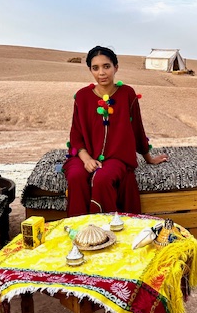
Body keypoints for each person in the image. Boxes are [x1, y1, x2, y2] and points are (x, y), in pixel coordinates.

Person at [63, 45, 168, 216]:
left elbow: (137, 130)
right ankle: (80, 231)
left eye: (106, 66)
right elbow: (76, 135)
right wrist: (87, 159)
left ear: (116, 68)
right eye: (95, 68)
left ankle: (105, 230)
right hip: (84, 153)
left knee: (102, 178)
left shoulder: (127, 94)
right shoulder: (82, 96)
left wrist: (149, 158)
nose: (101, 73)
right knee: (76, 176)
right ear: (90, 70)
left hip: (117, 157)